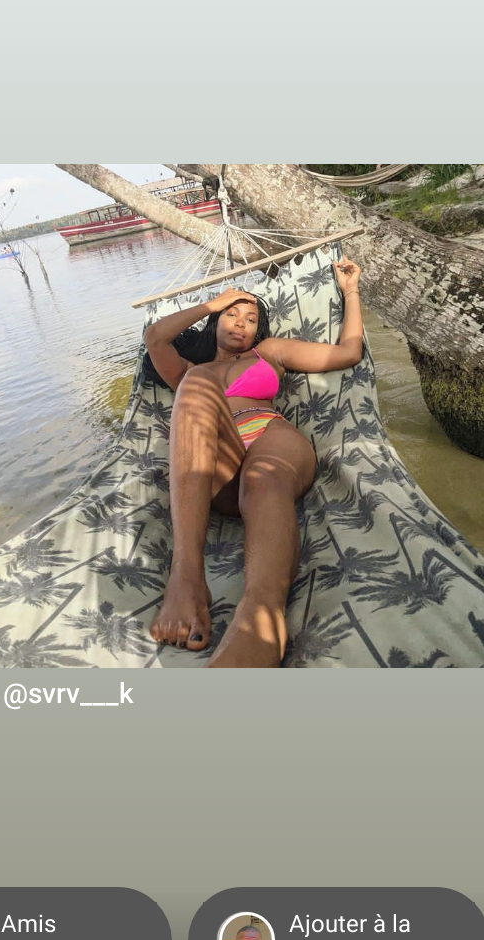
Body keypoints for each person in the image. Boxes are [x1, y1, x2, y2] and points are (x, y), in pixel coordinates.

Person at [143, 257, 363, 668]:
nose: (241, 323)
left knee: (263, 478)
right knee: (195, 383)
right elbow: (155, 337)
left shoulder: (268, 352)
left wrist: (350, 291)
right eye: (232, 314)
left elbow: (348, 352)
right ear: (215, 321)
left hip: (271, 438)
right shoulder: (191, 370)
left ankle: (260, 621)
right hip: (217, 467)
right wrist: (213, 303)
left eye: (250, 318)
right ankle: (187, 578)